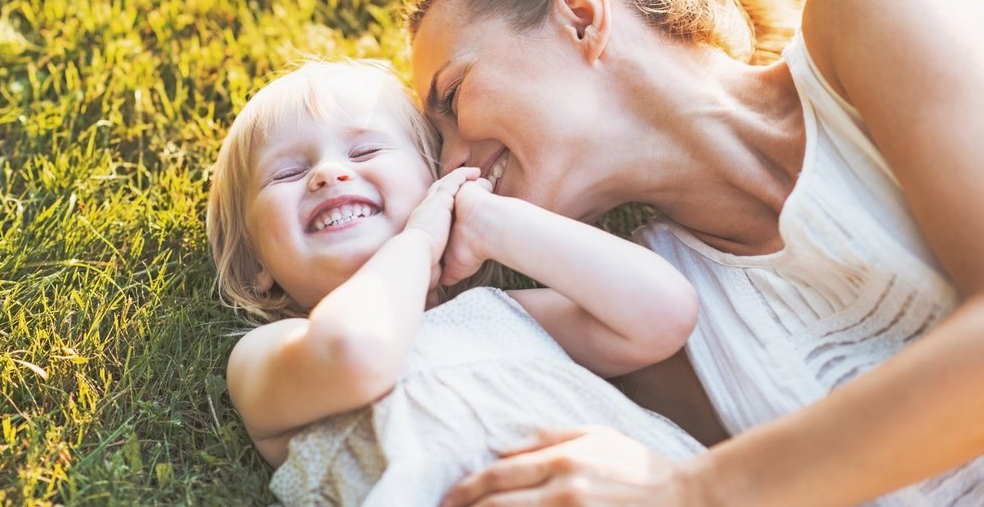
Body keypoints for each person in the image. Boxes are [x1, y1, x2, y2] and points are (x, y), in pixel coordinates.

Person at [407, 0, 984, 506]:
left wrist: (700, 489)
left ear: (580, 15)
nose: (454, 160)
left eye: (453, 97)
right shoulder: (654, 332)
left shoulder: (871, 3)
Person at [205, 59, 708, 505]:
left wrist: (492, 222)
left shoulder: (501, 313)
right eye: (287, 173)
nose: (329, 173)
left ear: (434, 183)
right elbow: (355, 353)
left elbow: (664, 314)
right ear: (256, 267)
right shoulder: (269, 352)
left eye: (365, 152)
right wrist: (419, 242)